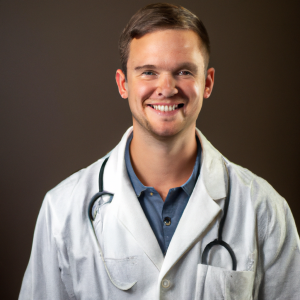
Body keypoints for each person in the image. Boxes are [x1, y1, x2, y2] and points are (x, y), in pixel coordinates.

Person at [19, 3, 300, 300]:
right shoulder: (62, 209)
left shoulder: (263, 209)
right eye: (149, 72)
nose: (166, 88)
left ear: (208, 82)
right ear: (123, 83)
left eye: (183, 71)